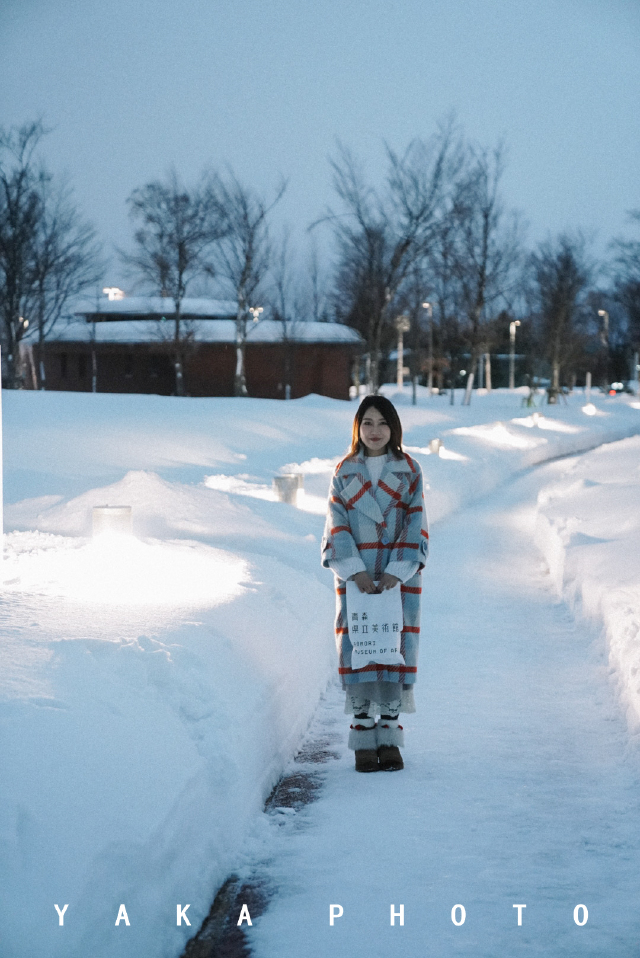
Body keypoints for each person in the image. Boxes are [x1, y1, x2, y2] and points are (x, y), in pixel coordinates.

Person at [321, 395, 429, 772]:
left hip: (398, 580)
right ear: (357, 427)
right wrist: (355, 570)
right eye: (367, 422)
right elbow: (336, 524)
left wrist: (397, 570)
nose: (375, 430)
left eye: (382, 423)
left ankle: (390, 737)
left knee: (393, 648)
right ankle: (363, 738)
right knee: (362, 649)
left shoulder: (409, 470)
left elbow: (416, 522)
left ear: (394, 428)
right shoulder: (345, 471)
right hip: (358, 580)